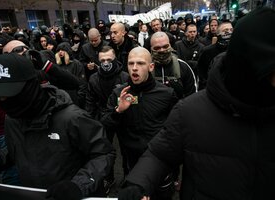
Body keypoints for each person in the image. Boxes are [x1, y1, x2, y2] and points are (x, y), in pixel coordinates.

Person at [118, 7, 275, 200]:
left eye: (164, 47)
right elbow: (160, 153)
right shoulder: (191, 112)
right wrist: (138, 183)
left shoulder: (183, 70)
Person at [0, 53, 115, 200]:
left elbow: (103, 153)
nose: (3, 101)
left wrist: (79, 185)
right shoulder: (12, 119)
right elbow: (14, 150)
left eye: (8, 94)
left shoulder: (72, 118)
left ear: (29, 87)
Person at [101, 46, 178, 200]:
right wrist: (119, 111)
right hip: (132, 161)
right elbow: (105, 125)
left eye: (140, 63)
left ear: (151, 67)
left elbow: (176, 130)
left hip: (160, 160)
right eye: (131, 63)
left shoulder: (167, 93)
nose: (135, 68)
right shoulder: (119, 93)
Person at [86, 45, 129, 194]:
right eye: (102, 60)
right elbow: (90, 101)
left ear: (115, 59)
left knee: (127, 149)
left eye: (109, 59)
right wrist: (91, 122)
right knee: (105, 151)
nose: (105, 63)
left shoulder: (125, 77)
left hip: (123, 118)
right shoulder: (93, 79)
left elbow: (132, 99)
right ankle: (108, 178)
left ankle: (128, 176)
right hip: (103, 120)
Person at [150, 31, 197, 99]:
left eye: (165, 46)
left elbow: (192, 96)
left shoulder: (183, 66)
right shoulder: (145, 68)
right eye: (157, 48)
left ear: (170, 46)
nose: (162, 50)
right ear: (151, 48)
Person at [198, 21, 233, 90]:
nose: (229, 32)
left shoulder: (237, 49)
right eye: (225, 30)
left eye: (231, 30)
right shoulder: (207, 51)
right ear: (218, 33)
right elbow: (202, 73)